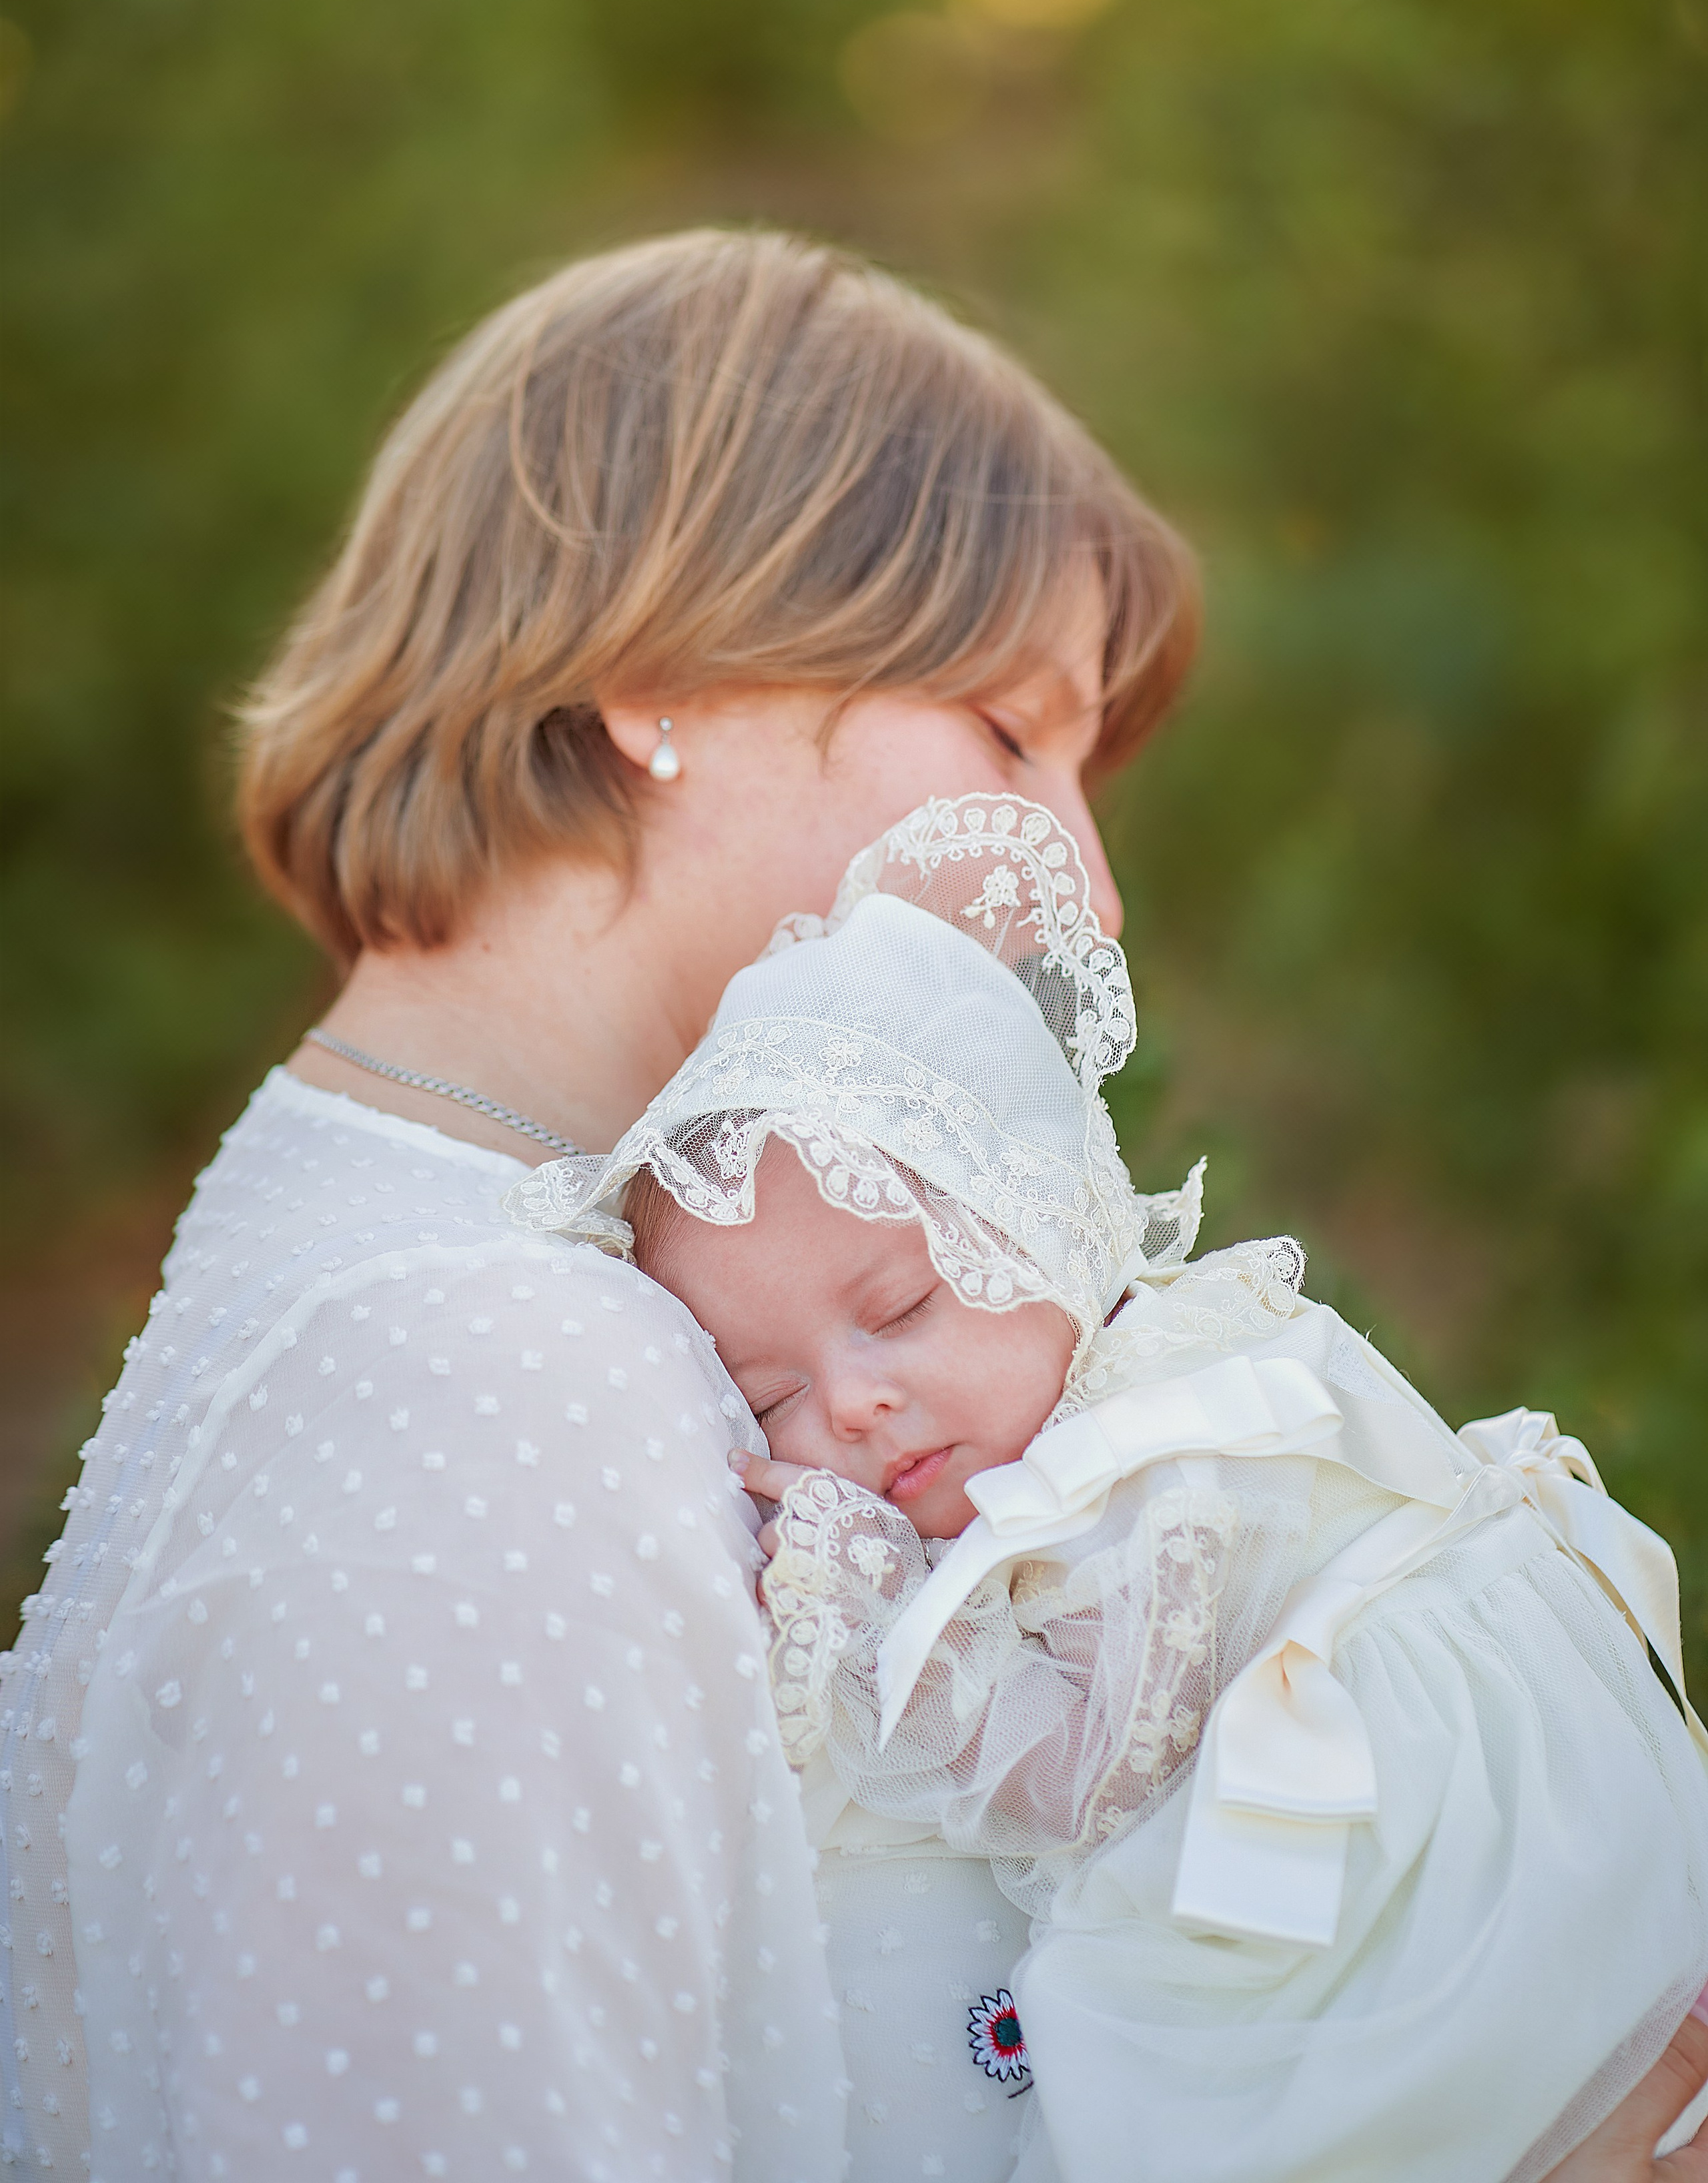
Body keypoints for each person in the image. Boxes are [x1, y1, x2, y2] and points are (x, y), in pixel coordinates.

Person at [1, 228, 1701, 2183]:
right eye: (1008, 733)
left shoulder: (493, 1277)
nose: (1093, 889)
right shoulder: (471, 1385)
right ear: (670, 673)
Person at [510, 792, 1708, 2183]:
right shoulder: (1101, 1425)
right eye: (768, 1394)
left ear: (1044, 1222)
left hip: (1443, 1880)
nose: (846, 1403)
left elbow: (1091, 1780)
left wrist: (896, 1617)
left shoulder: (1154, 1463)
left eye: (897, 1307)